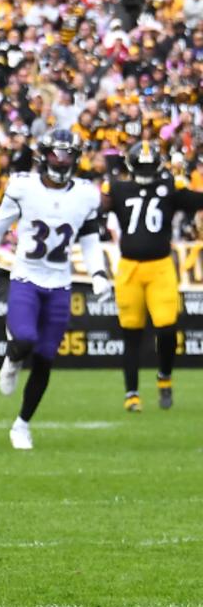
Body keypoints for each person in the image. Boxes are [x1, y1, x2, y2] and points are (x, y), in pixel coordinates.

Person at [0, 130, 110, 450]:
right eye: (54, 155)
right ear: (42, 155)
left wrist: (99, 272)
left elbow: (89, 240)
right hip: (26, 278)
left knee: (46, 358)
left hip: (60, 284)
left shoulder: (86, 194)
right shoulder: (23, 187)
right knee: (24, 338)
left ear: (76, 159)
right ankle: (12, 357)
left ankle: (22, 424)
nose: (60, 161)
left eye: (67, 155)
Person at [104, 140, 203, 411]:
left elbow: (197, 199)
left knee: (167, 328)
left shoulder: (168, 189)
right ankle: (132, 394)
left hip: (159, 267)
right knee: (131, 333)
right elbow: (94, 210)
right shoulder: (120, 189)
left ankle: (164, 377)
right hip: (129, 268)